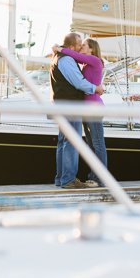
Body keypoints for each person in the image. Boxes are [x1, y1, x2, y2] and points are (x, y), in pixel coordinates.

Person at [50, 32, 104, 189]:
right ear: (72, 46)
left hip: (61, 104)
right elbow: (78, 83)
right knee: (72, 141)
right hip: (70, 105)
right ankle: (68, 179)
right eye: (80, 45)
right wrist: (97, 88)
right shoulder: (66, 59)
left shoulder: (58, 57)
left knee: (63, 141)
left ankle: (61, 178)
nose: (81, 47)